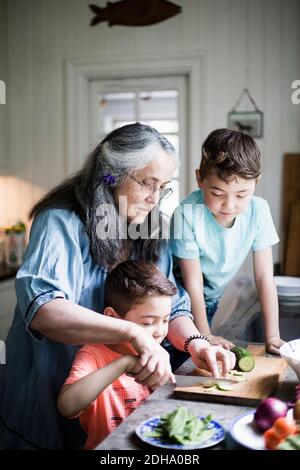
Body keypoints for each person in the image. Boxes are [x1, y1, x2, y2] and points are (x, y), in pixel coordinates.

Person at [0, 123, 235, 450]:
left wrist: (195, 342)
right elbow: (44, 309)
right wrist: (131, 332)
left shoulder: (152, 229)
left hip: (119, 404)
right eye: (146, 183)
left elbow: (173, 305)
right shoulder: (61, 220)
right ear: (111, 175)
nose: (155, 198)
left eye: (163, 187)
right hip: (47, 387)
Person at [170, 128, 285, 354]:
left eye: (241, 195)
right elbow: (193, 282)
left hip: (210, 299)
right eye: (218, 194)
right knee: (178, 359)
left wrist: (272, 336)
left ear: (256, 182)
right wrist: (205, 335)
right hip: (178, 302)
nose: (229, 205)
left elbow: (264, 277)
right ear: (200, 180)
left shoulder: (259, 211)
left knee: (201, 358)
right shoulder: (186, 213)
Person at [57, 260, 177, 449]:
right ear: (112, 318)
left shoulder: (157, 354)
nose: (160, 331)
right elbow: (67, 406)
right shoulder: (93, 355)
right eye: (147, 323)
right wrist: (124, 363)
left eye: (165, 320)